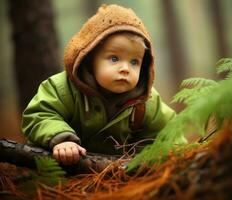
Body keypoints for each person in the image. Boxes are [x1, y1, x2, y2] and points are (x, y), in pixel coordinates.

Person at [22, 4, 176, 166]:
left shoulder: (146, 101)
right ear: (89, 59)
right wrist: (62, 139)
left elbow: (171, 131)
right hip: (67, 172)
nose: (125, 69)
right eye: (114, 58)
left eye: (134, 62)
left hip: (121, 175)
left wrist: (169, 156)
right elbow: (39, 115)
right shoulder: (62, 88)